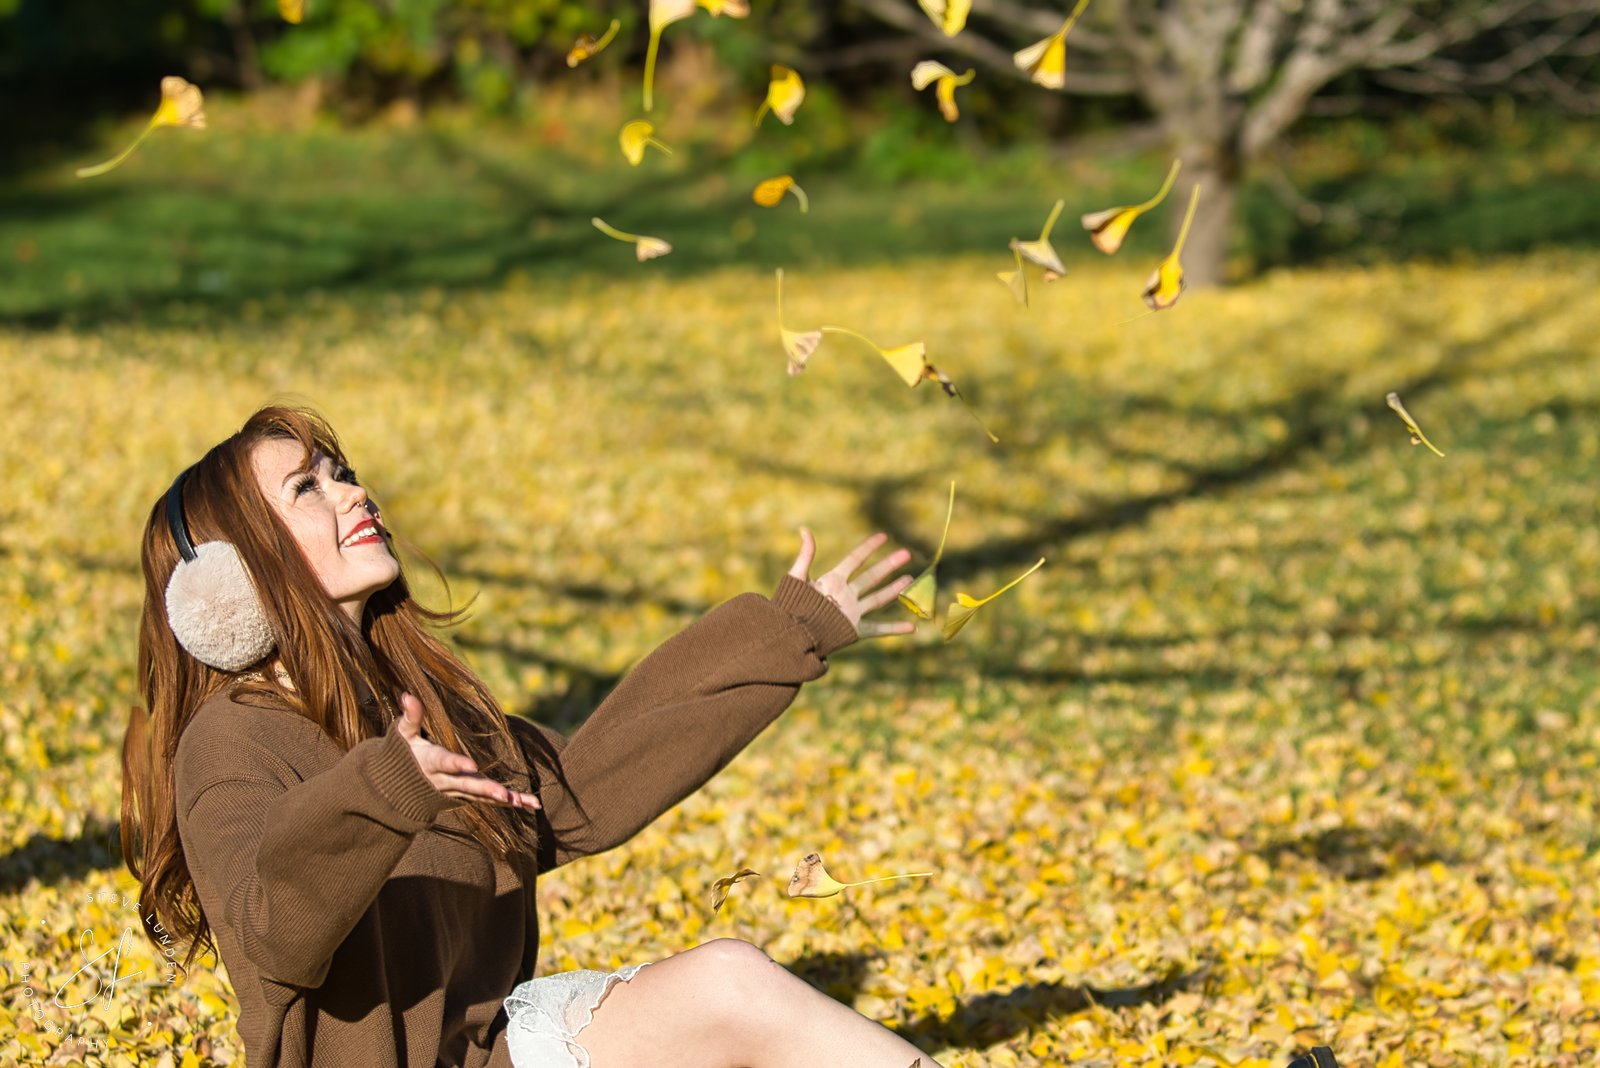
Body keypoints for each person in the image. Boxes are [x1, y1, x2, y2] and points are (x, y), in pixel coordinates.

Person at [120, 404, 945, 1068]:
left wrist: (790, 632)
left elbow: (582, 790)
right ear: (227, 583)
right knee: (729, 991)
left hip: (496, 1054)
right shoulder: (230, 743)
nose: (353, 495)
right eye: (308, 488)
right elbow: (272, 930)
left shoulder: (419, 706)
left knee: (730, 982)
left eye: (345, 474)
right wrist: (378, 793)